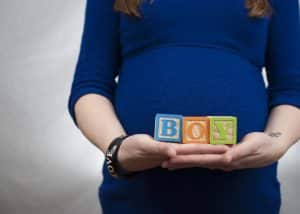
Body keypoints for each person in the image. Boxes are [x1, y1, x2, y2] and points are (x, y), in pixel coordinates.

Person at [67, 0, 300, 213]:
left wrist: (275, 142)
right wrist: (116, 151)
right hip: (138, 194)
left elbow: (293, 90)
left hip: (245, 194)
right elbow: (90, 86)